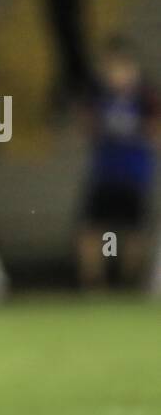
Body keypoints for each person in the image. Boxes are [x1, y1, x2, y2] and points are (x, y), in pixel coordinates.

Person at [76, 36, 159, 288]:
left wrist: (140, 131)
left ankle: (128, 282)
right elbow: (85, 128)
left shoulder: (145, 98)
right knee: (91, 228)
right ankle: (93, 283)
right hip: (104, 173)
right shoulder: (98, 96)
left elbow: (155, 134)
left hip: (134, 173)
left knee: (133, 231)